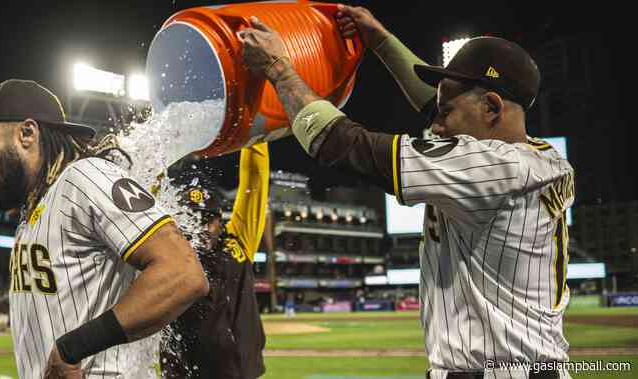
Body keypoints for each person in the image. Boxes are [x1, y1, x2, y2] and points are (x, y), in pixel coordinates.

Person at [239, 6, 574, 379]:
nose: (435, 123)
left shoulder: (494, 169)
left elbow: (343, 145)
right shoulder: (541, 159)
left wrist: (279, 70)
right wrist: (380, 40)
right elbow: (436, 104)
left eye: (445, 112)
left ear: (491, 107)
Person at [0, 79, 209, 379]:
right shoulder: (33, 212)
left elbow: (182, 273)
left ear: (27, 133)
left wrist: (73, 348)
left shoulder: (85, 177)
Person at [159, 143, 269, 379]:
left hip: (242, 374)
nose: (204, 227)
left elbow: (255, 180)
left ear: (220, 219)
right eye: (195, 218)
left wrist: (258, 135)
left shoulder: (239, 241)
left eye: (209, 219)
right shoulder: (169, 254)